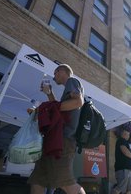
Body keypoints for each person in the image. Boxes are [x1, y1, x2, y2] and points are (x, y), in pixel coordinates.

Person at [28, 64, 86, 194]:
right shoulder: (68, 89)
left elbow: (78, 102)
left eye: (55, 74)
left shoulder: (72, 81)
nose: (54, 78)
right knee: (37, 180)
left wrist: (42, 110)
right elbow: (58, 109)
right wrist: (49, 94)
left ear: (61, 71)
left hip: (63, 141)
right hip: (54, 140)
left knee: (67, 183)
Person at [112, 124, 131, 194]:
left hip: (127, 170)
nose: (129, 136)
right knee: (119, 188)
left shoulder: (124, 141)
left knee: (129, 189)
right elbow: (124, 151)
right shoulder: (121, 140)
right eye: (128, 135)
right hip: (123, 169)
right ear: (124, 134)